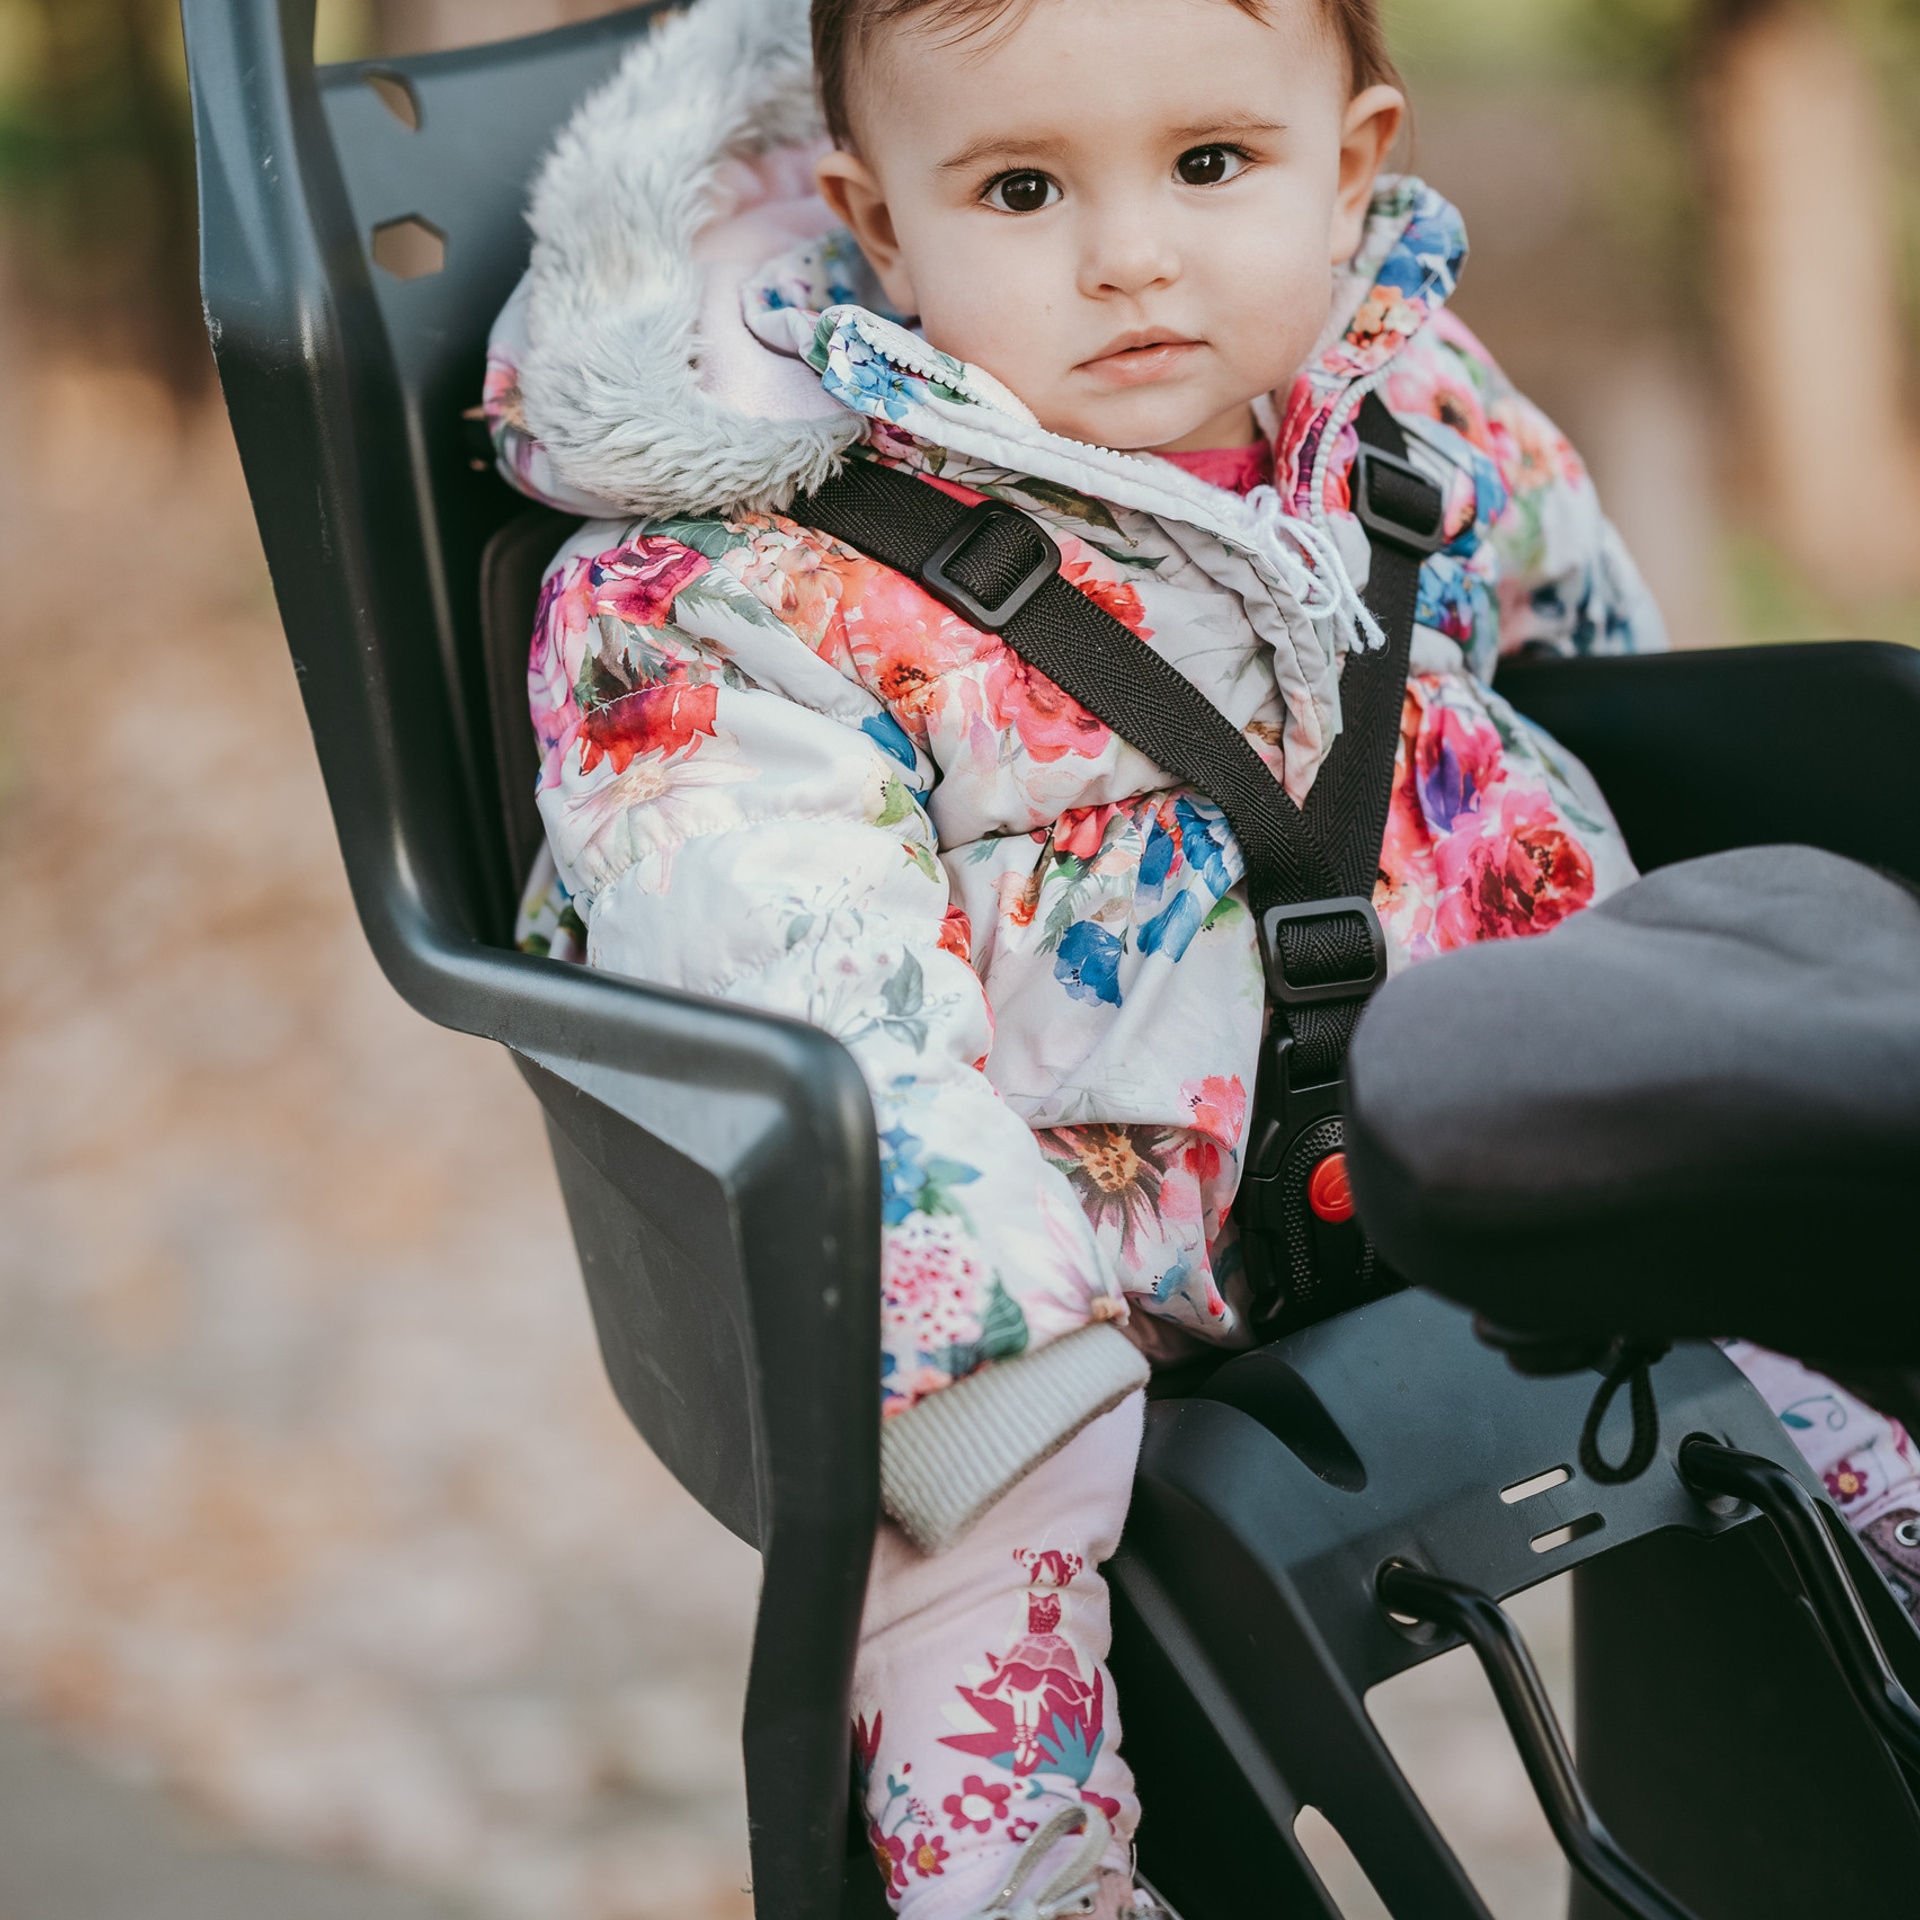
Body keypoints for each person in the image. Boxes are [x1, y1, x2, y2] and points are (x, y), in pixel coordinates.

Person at [480, 0, 1918, 1909]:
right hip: (1062, 1270)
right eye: (1019, 187)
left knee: (1861, 1417)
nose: (1131, 252)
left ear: (1354, 163)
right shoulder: (757, 585)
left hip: (1504, 1155)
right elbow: (795, 974)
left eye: (1213, 165)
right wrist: (980, 1354)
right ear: (880, 223)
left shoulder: (1406, 408)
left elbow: (1585, 645)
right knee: (978, 1660)